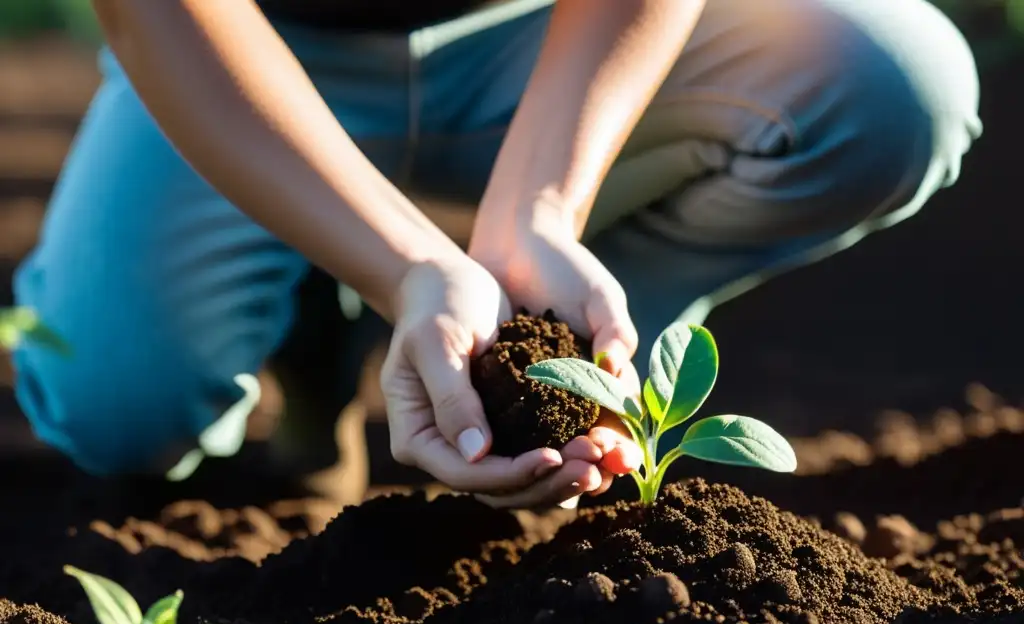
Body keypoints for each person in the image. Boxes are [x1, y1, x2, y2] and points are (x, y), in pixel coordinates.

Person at [11, 0, 980, 510]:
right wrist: (400, 268)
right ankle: (325, 308)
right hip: (252, 61)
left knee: (891, 87)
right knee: (112, 407)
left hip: (533, 41)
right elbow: (160, 11)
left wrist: (540, 214)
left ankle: (543, 358)